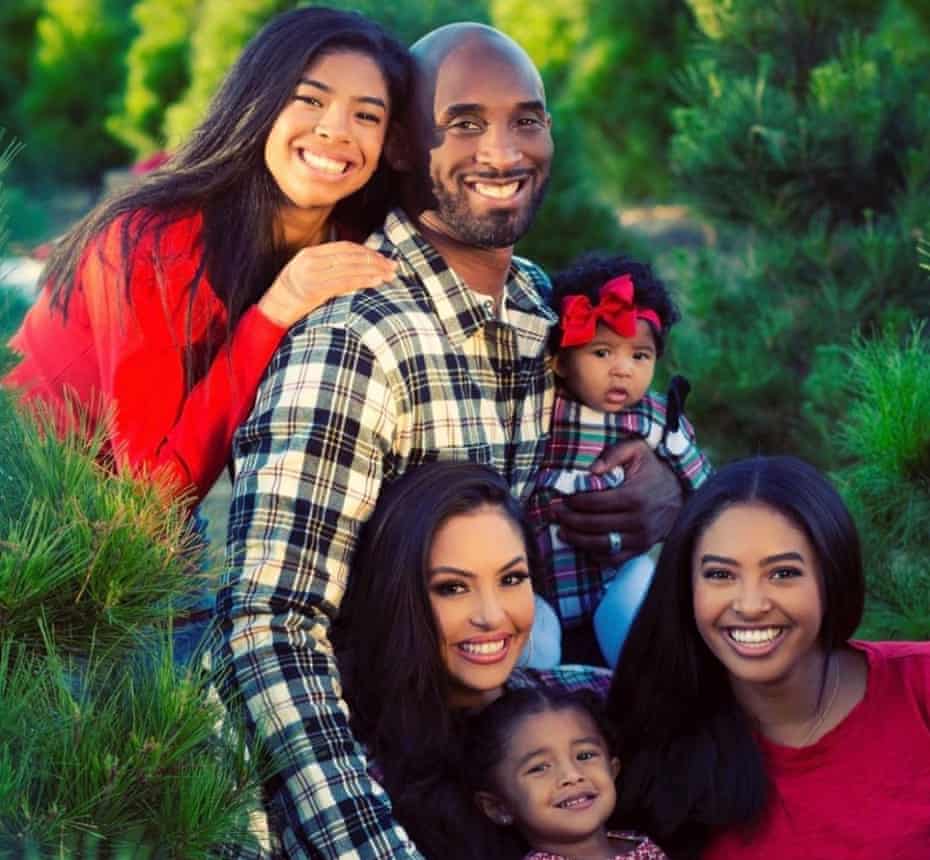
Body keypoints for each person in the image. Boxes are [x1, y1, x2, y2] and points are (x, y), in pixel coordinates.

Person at [213, 22, 682, 858]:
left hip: (518, 767)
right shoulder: (358, 340)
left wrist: (667, 490)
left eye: (527, 119)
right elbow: (268, 626)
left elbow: (620, 465)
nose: (502, 150)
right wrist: (370, 846)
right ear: (400, 146)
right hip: (386, 782)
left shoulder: (546, 311)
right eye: (463, 122)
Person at [4, 7, 406, 507]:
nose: (336, 130)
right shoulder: (158, 243)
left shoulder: (348, 242)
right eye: (309, 99)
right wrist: (275, 311)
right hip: (31, 515)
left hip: (130, 523)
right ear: (259, 102)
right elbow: (154, 498)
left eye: (366, 115)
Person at [607, 455, 930, 860]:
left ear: (831, 577)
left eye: (783, 573)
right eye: (720, 575)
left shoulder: (920, 685)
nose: (751, 604)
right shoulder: (651, 744)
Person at [335, 461, 612, 860]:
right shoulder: (354, 772)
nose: (492, 615)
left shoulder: (591, 698)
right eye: (452, 587)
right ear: (397, 598)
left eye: (511, 579)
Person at [527, 254, 711, 667]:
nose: (622, 371)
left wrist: (691, 497)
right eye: (602, 352)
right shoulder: (540, 409)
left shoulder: (652, 418)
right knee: (534, 644)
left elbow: (700, 480)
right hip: (541, 578)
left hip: (613, 576)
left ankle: (641, 682)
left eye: (639, 356)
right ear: (559, 360)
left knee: (637, 610)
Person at [467, 687, 668, 860]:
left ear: (612, 770)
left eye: (585, 755)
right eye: (539, 768)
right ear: (498, 807)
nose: (572, 775)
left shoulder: (638, 843)